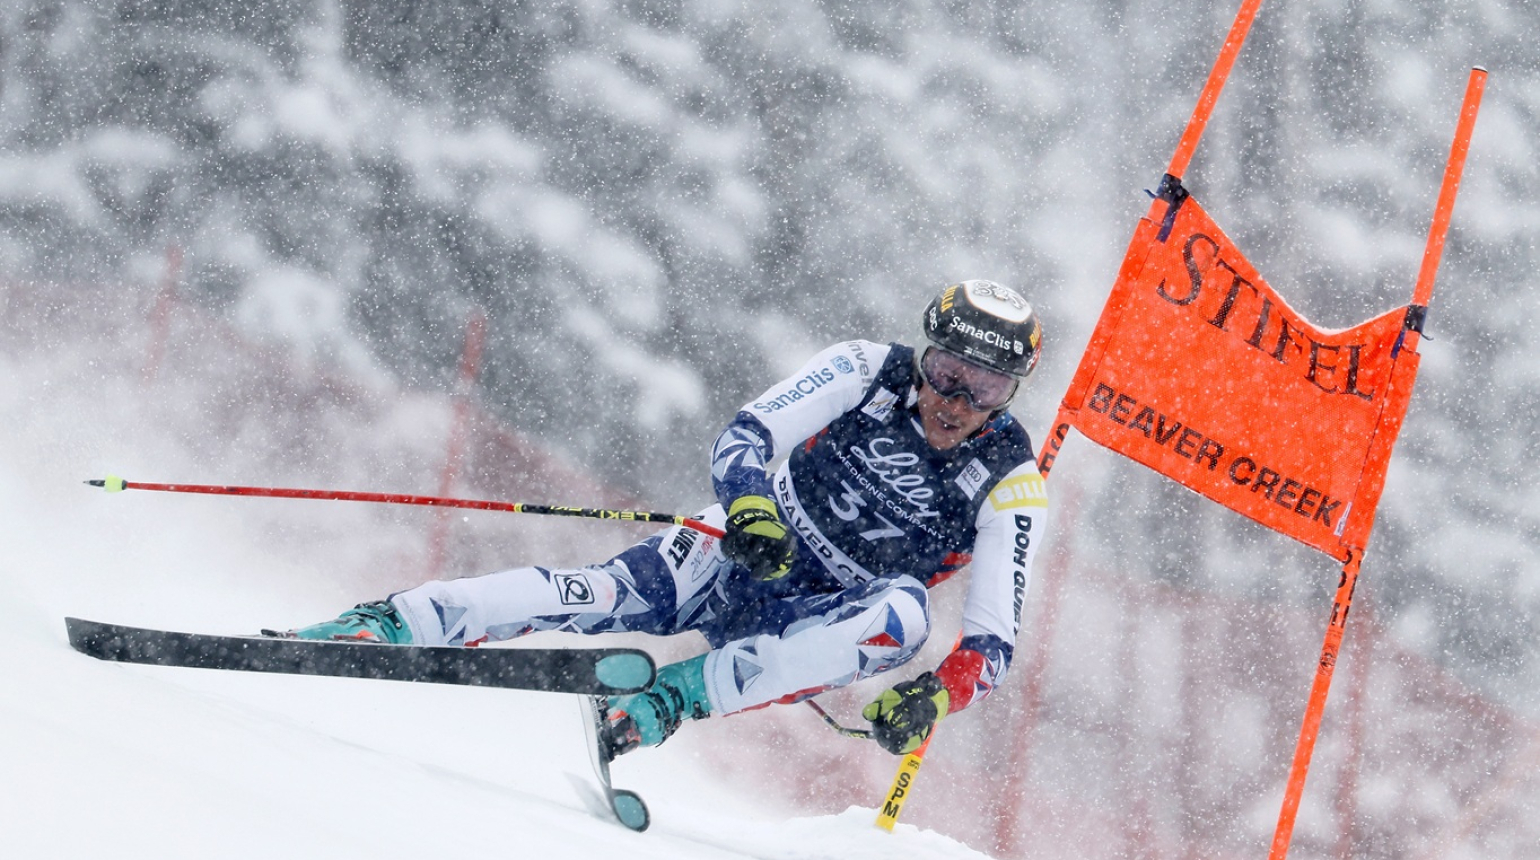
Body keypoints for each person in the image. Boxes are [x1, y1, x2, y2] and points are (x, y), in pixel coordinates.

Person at [282, 279, 1049, 757]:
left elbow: (991, 646)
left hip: (819, 619)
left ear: (1011, 392)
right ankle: (394, 621)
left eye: (982, 389)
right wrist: (751, 508)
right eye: (945, 373)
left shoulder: (1012, 481)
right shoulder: (866, 369)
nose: (953, 402)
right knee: (597, 594)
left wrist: (934, 697)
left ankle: (672, 698)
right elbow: (749, 435)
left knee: (903, 619)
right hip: (748, 550)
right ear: (925, 353)